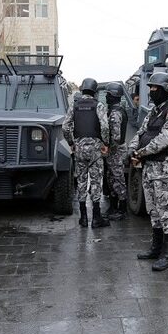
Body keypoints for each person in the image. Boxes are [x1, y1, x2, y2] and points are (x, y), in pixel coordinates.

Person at [129, 73, 168, 271]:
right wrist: (132, 149)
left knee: (164, 210)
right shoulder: (153, 112)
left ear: (165, 90)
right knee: (152, 210)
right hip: (148, 168)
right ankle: (156, 248)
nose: (151, 91)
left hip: (162, 169)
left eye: (155, 88)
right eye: (150, 87)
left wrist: (140, 153)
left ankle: (167, 255)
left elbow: (164, 140)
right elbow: (141, 132)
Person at [62, 78, 110, 228]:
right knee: (96, 182)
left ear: (82, 90)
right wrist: (105, 143)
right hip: (95, 149)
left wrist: (71, 143)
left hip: (79, 149)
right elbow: (105, 127)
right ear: (94, 91)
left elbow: (65, 127)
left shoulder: (74, 105)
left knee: (81, 182)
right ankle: (96, 218)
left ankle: (83, 218)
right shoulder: (99, 105)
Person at [103, 82, 128, 220]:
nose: (106, 97)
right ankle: (113, 207)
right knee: (111, 179)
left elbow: (116, 137)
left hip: (116, 151)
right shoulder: (114, 110)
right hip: (113, 152)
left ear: (113, 95)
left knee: (118, 179)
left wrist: (107, 146)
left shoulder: (116, 113)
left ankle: (122, 210)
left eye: (108, 94)